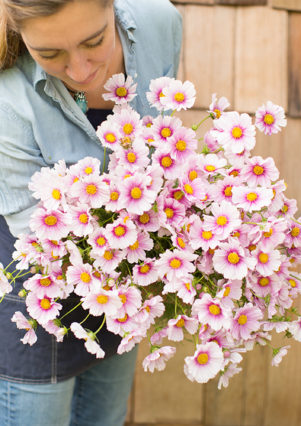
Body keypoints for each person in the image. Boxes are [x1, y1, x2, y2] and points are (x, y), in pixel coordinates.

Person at [0, 0, 182, 424]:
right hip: (37, 270)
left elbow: (161, 142)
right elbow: (36, 229)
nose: (81, 71)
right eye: (50, 55)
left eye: (94, 41)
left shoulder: (161, 22)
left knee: (104, 416)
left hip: (125, 266)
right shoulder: (7, 95)